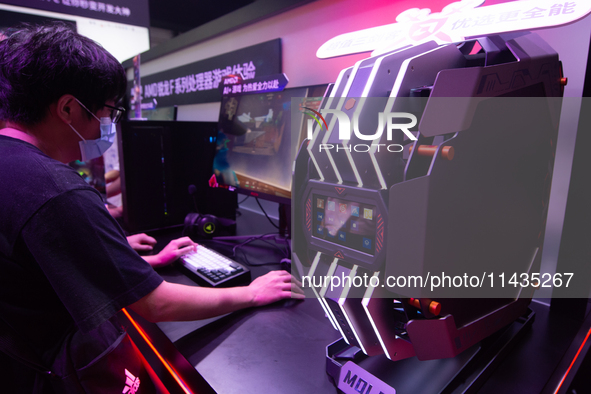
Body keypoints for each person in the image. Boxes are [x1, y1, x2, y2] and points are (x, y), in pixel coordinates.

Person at [0, 23, 302, 393]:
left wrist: (140, 264)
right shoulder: (54, 190)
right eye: (106, 112)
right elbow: (155, 305)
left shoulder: (11, 164)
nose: (105, 127)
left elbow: (38, 262)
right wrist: (252, 292)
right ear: (67, 108)